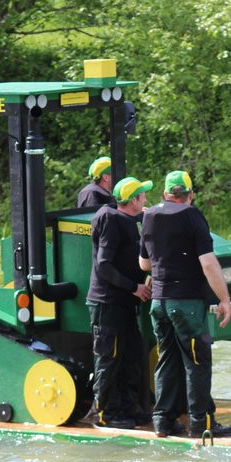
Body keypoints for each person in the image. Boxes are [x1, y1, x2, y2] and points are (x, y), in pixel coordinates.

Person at [139, 170, 231, 438]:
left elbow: (144, 264)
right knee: (197, 362)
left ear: (165, 193)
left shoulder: (148, 215)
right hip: (186, 304)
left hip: (158, 303)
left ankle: (163, 422)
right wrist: (225, 300)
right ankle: (201, 424)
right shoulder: (192, 215)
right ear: (190, 195)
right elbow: (208, 263)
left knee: (166, 360)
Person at [86, 176, 154, 429]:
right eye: (143, 195)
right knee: (109, 357)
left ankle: (128, 408)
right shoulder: (110, 220)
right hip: (108, 303)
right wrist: (134, 287)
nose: (146, 199)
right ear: (133, 200)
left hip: (126, 303)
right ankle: (104, 412)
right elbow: (104, 265)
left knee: (131, 356)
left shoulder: (127, 218)